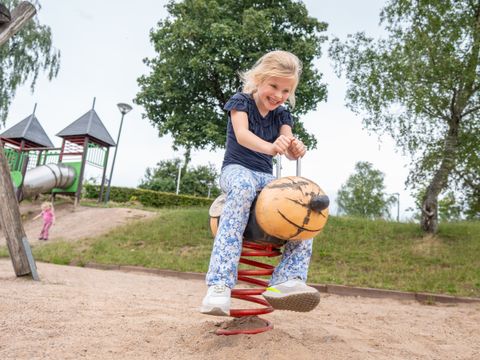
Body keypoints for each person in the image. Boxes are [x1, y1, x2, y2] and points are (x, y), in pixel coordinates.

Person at [200, 50, 320, 316]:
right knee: (242, 187)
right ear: (259, 79)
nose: (278, 95)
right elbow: (242, 135)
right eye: (274, 86)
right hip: (237, 170)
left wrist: (295, 147)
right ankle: (219, 285)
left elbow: (286, 145)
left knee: (303, 204)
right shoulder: (240, 102)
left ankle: (287, 279)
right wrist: (271, 147)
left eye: (286, 90)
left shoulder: (282, 116)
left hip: (266, 178)